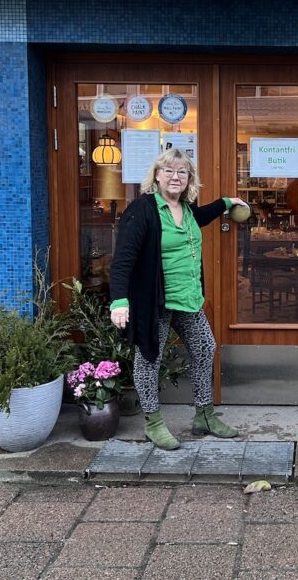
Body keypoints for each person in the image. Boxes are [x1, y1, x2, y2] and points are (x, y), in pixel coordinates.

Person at [109, 148, 245, 450]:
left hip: (188, 298)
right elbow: (123, 259)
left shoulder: (186, 207)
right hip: (154, 301)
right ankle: (153, 423)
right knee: (149, 359)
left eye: (182, 172)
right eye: (168, 170)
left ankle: (204, 416)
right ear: (157, 175)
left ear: (189, 179)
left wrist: (226, 203)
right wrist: (119, 301)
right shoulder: (143, 209)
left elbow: (202, 215)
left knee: (204, 348)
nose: (175, 176)